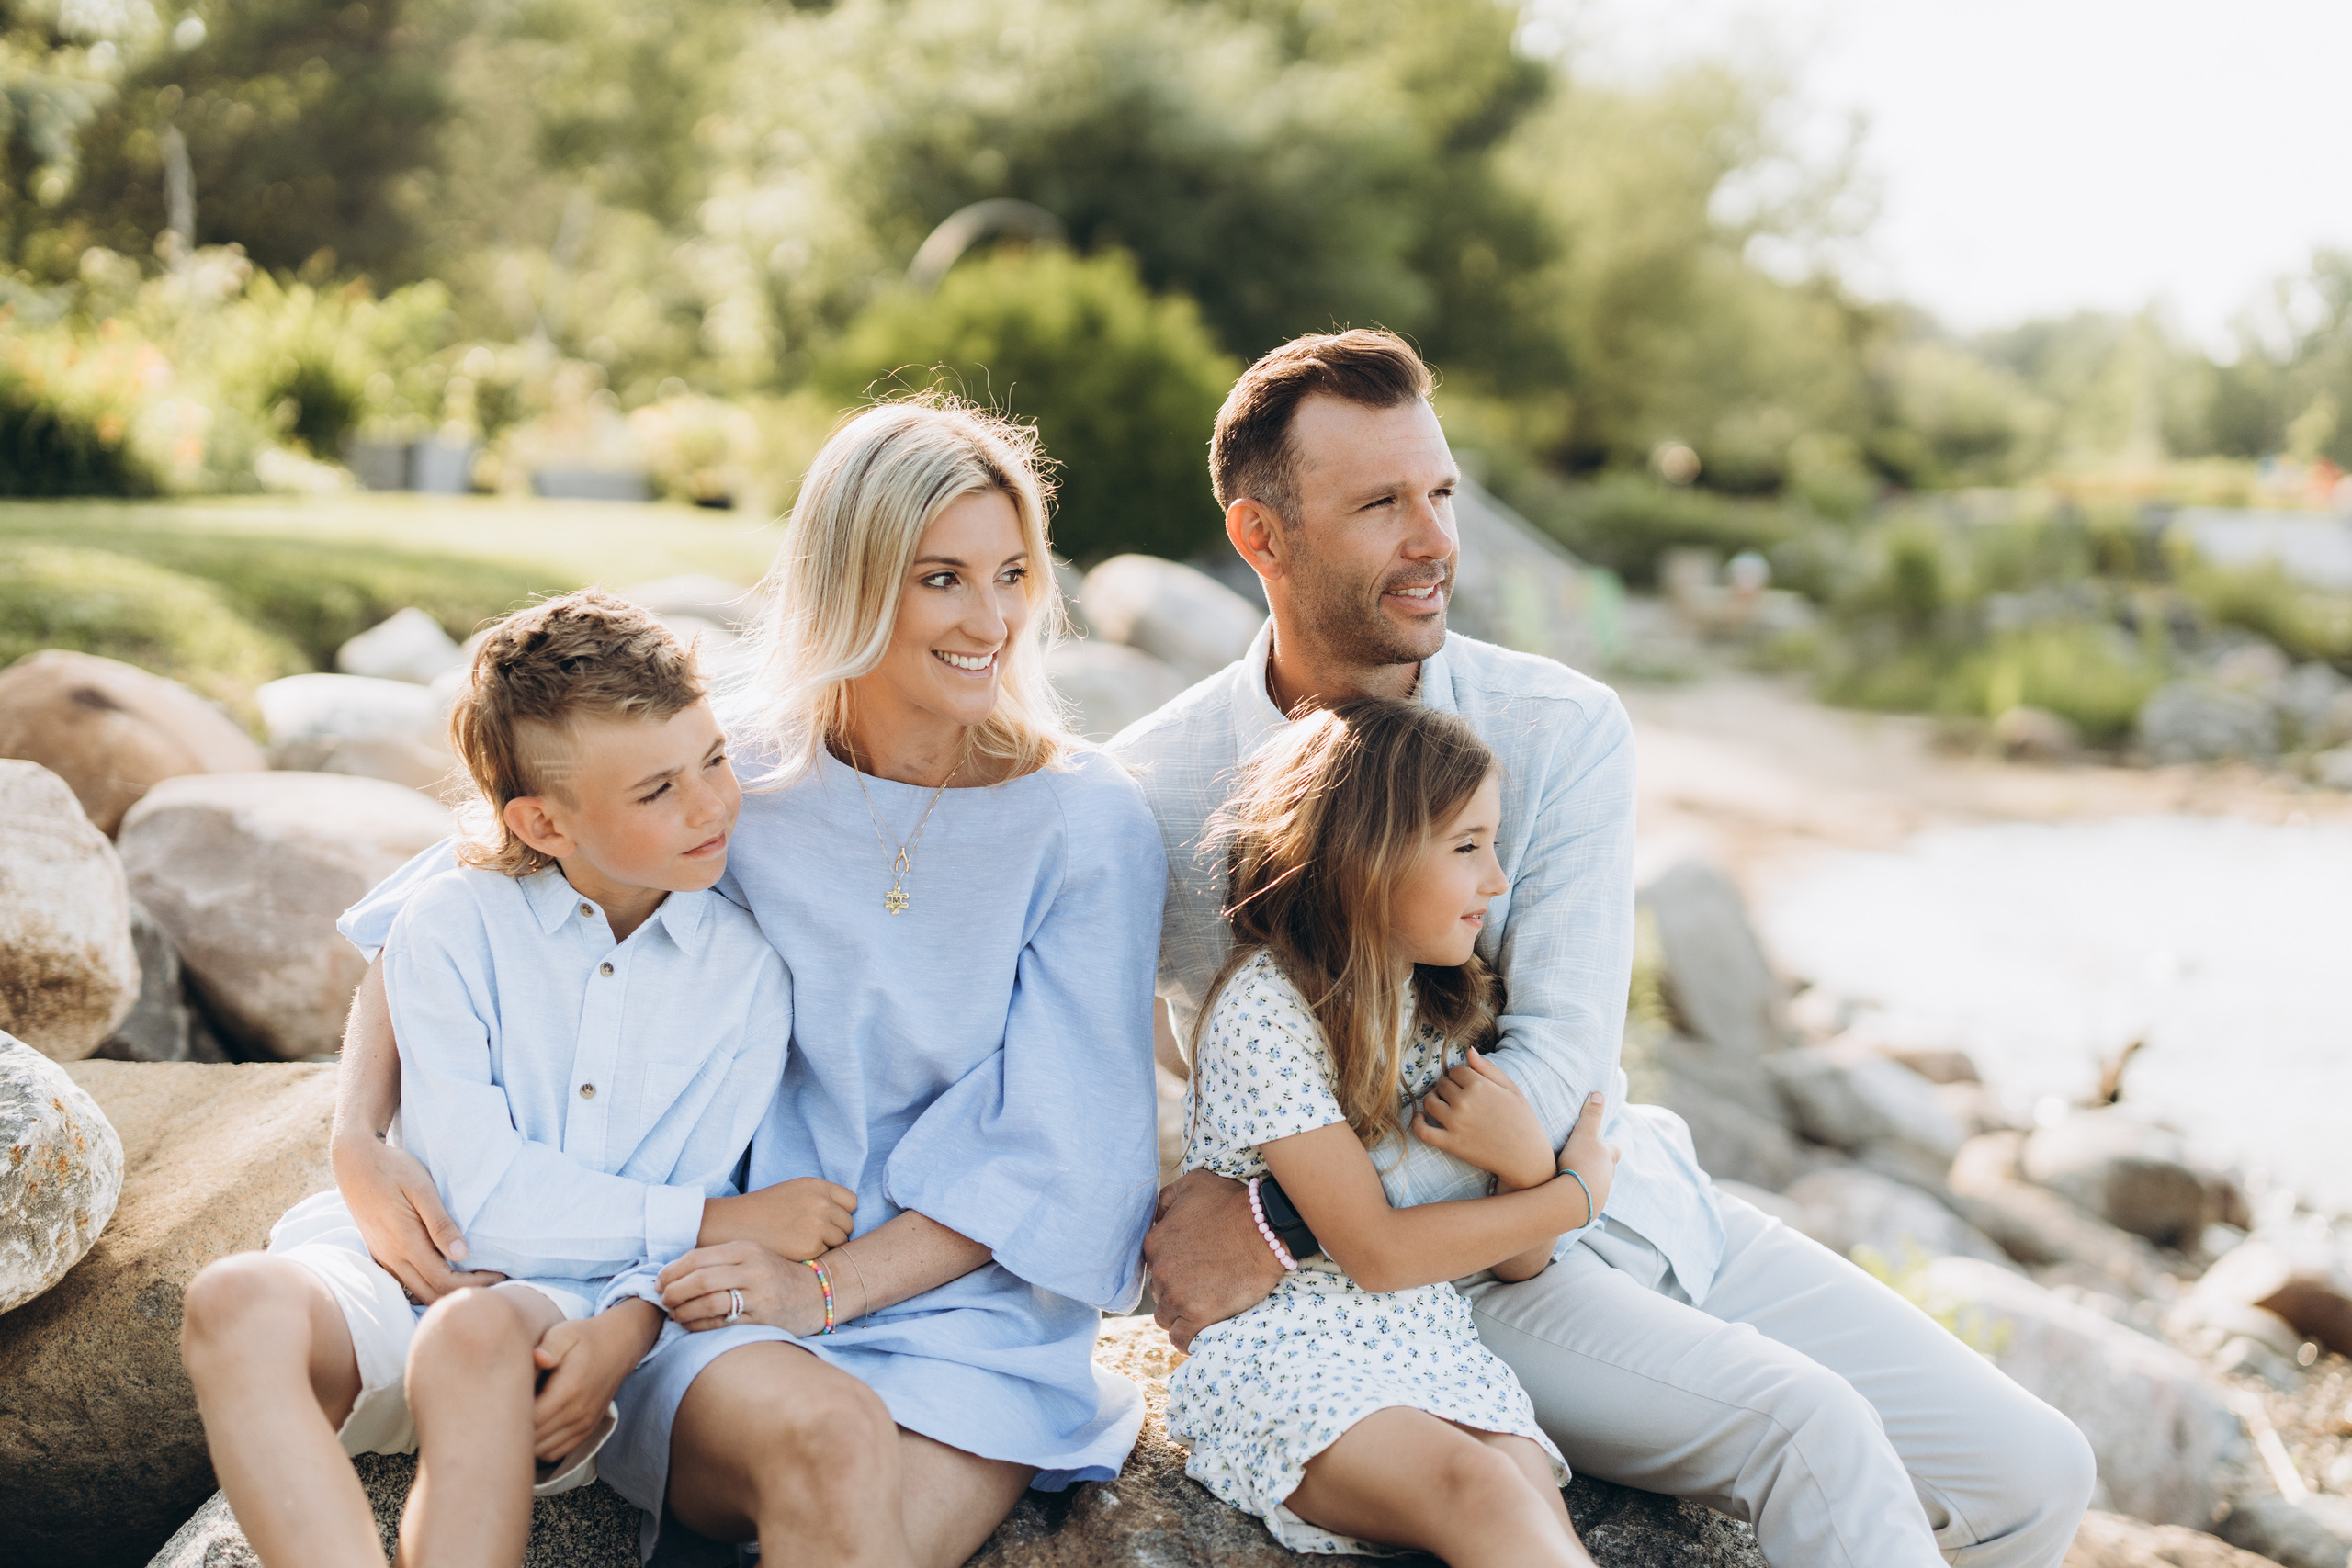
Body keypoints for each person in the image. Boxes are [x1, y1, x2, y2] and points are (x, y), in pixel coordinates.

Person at [1117, 330, 2097, 1568]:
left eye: (1442, 493)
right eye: (1380, 505)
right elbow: (1120, 1060)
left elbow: (1561, 1056)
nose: (1434, 540)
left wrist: (1279, 1219)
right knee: (1808, 1428)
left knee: (2036, 1473)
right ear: (1261, 537)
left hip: (1636, 1200)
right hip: (1443, 1293)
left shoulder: (1560, 727)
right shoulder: (1153, 787)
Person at [326, 398, 1166, 1567]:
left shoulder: (1088, 824)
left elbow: (1070, 1149)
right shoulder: (731, 770)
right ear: (854, 579)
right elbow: (439, 902)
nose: (992, 620)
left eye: (1013, 573)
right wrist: (357, 1135)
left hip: (962, 1316)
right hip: (719, 1280)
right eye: (941, 579)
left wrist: (821, 1293)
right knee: (827, 1452)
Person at [178, 592, 805, 1568]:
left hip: (559, 1316)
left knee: (471, 1336)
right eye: (656, 792)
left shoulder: (749, 979)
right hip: (404, 1266)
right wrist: (710, 1225)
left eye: (714, 760)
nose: (712, 804)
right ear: (542, 823)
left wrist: (635, 1324)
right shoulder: (451, 923)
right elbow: (481, 1195)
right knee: (233, 1301)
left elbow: (701, 1176)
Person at [1165, 698, 1619, 1566]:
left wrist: (1527, 1165)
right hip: (1284, 1344)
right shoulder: (1265, 1009)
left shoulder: (1432, 1004)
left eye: (1494, 844)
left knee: (1527, 1491)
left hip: (1426, 1339)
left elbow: (1516, 1261)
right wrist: (1575, 1193)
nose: (1497, 879)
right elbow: (1373, 1249)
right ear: (1367, 858)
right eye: (1467, 847)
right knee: (1481, 1490)